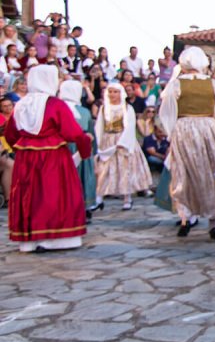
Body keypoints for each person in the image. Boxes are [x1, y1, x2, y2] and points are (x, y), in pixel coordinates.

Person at [5, 65, 91, 252]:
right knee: (52, 193)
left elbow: (11, 134)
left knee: (29, 194)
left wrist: (21, 150)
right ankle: (54, 238)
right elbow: (74, 132)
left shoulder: (20, 104)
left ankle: (29, 240)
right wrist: (85, 149)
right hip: (53, 157)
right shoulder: (55, 104)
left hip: (25, 158)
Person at [159, 46, 215, 239]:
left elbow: (167, 110)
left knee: (184, 174)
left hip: (184, 128)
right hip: (209, 128)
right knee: (210, 172)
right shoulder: (213, 84)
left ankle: (186, 218)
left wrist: (171, 132)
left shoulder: (176, 84)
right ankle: (213, 222)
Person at [93, 83, 152, 211]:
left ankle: (127, 198)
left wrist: (124, 142)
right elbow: (99, 126)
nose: (112, 94)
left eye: (115, 92)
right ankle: (99, 198)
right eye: (111, 92)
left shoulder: (127, 108)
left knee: (125, 169)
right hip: (108, 141)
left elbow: (130, 125)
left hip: (123, 141)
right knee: (103, 171)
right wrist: (100, 142)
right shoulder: (104, 108)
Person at [59, 80, 97, 213]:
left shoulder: (57, 109)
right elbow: (90, 131)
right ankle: (84, 206)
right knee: (82, 176)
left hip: (63, 147)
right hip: (81, 147)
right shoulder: (84, 112)